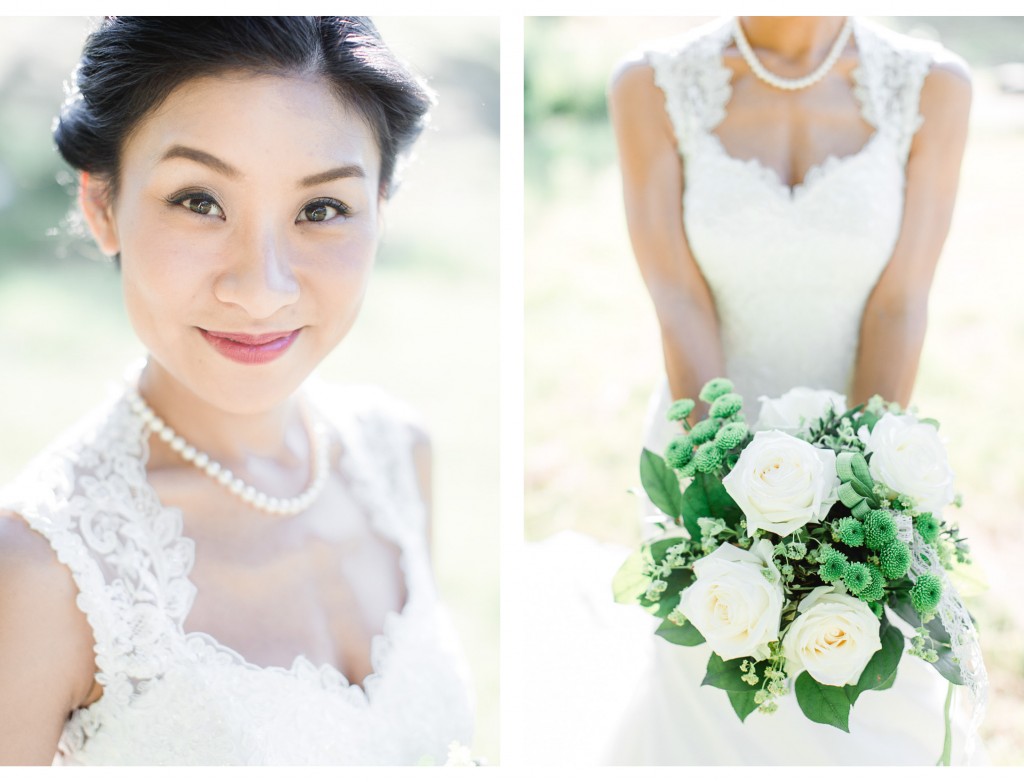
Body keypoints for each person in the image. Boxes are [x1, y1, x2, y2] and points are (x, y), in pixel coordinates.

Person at [0, 17, 474, 765]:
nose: (260, 290)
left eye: (321, 210)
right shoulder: (36, 574)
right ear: (102, 206)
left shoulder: (397, 455)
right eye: (198, 200)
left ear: (380, 207)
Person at [599, 15, 980, 763]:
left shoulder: (933, 86)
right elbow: (678, 294)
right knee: (717, 689)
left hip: (871, 440)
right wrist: (721, 489)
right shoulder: (650, 84)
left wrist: (865, 498)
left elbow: (900, 300)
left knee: (869, 693)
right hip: (703, 435)